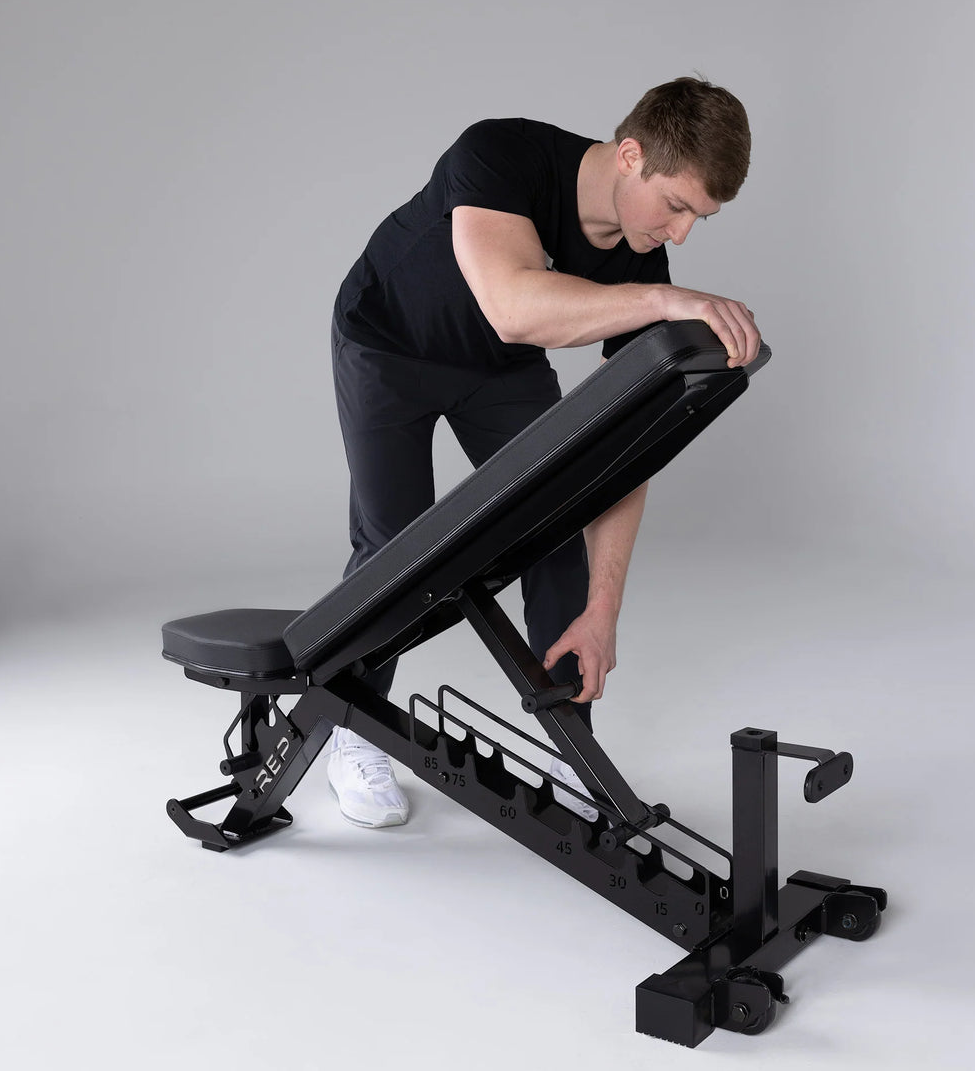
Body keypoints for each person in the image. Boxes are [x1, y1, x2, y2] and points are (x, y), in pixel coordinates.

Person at [325, 76, 762, 828]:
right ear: (631, 155)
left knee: (555, 526)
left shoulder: (638, 261)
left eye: (700, 217)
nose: (682, 234)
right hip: (389, 344)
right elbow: (514, 305)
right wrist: (667, 303)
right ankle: (345, 731)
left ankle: (571, 748)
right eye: (679, 206)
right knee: (392, 547)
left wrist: (602, 610)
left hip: (496, 366)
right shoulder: (501, 153)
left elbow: (623, 451)